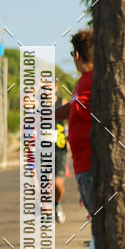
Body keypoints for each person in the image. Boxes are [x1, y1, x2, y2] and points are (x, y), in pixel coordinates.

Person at [55, 29, 95, 249]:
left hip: (91, 164)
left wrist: (48, 113)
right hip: (86, 162)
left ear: (78, 56)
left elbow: (74, 109)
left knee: (102, 230)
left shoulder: (89, 80)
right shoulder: (94, 79)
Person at [54, 77, 68, 223]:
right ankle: (45, 214)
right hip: (42, 149)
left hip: (60, 148)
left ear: (56, 87)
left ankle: (57, 204)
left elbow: (75, 117)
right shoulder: (37, 103)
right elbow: (23, 102)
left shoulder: (62, 103)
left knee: (58, 185)